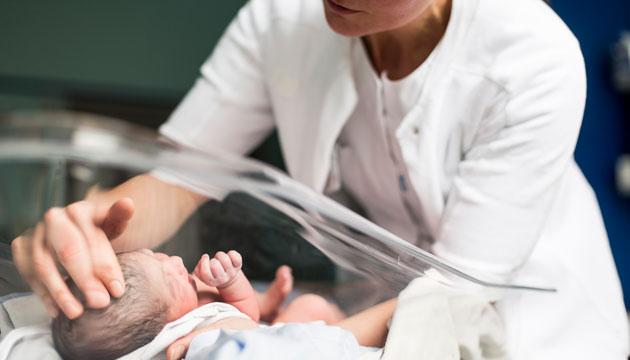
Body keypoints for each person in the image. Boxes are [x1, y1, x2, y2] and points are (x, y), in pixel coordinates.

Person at [11, 0, 629, 358]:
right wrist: (90, 235)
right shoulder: (279, 19)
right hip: (378, 322)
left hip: (537, 330)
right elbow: (179, 179)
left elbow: (456, 296)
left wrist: (307, 341)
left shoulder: (534, 60)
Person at [52, 249, 382, 360]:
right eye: (170, 279)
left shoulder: (193, 302)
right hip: (267, 338)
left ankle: (277, 306)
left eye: (158, 255)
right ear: (163, 325)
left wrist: (230, 281)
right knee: (312, 307)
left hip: (263, 329)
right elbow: (244, 320)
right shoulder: (187, 339)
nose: (175, 260)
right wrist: (232, 290)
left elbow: (243, 318)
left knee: (311, 306)